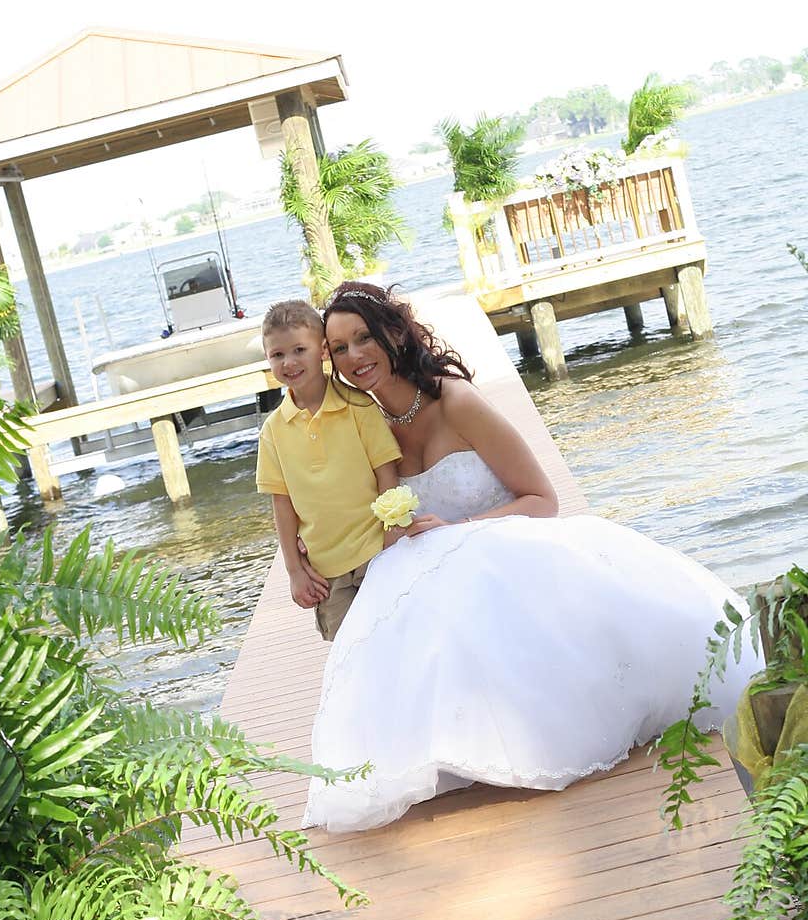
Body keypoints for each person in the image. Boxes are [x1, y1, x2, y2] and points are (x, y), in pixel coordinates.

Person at [303, 281, 763, 832]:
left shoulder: (457, 402)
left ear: (393, 333)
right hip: (436, 567)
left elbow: (543, 499)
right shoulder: (364, 425)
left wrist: (459, 529)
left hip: (506, 549)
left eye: (362, 339)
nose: (354, 357)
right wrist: (304, 553)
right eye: (339, 348)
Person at [256, 299, 402, 641]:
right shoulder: (273, 431)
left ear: (322, 351)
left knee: (397, 638)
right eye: (277, 355)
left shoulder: (358, 406)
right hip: (326, 574)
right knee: (350, 655)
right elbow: (282, 504)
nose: (289, 362)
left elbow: (386, 473)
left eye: (299, 350)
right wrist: (295, 570)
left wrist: (392, 535)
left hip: (376, 553)